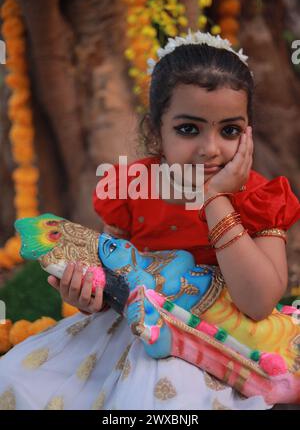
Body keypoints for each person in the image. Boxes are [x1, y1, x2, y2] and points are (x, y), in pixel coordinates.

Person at [0, 31, 299, 410]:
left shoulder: (261, 198)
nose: (210, 149)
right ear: (157, 132)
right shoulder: (130, 187)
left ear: (249, 132)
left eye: (230, 130)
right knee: (16, 380)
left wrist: (214, 200)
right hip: (134, 329)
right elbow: (116, 273)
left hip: (221, 340)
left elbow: (257, 302)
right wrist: (88, 297)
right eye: (188, 129)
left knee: (159, 400)